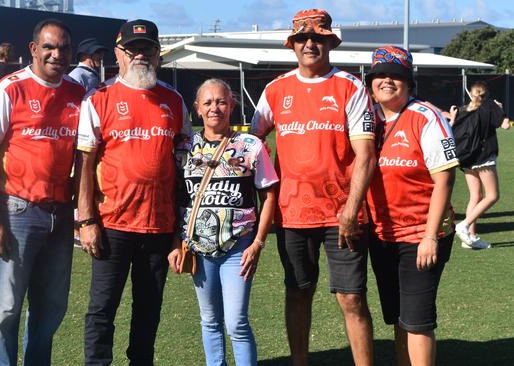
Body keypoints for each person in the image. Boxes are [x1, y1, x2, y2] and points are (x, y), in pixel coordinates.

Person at [251, 8, 376, 366]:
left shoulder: (350, 87)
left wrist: (351, 209)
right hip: (291, 213)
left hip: (342, 214)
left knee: (351, 298)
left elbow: (365, 156)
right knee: (298, 291)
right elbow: (254, 143)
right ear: (292, 45)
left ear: (329, 42)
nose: (310, 44)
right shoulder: (276, 90)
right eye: (302, 39)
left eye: (317, 38)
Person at [76, 19, 192, 365]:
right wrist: (86, 220)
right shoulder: (99, 99)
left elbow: (183, 166)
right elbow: (84, 164)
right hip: (112, 223)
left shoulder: (174, 100)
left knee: (148, 310)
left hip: (158, 226)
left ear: (158, 55)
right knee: (102, 309)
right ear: (118, 54)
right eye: (133, 49)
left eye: (148, 49)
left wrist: (178, 231)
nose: (140, 55)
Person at [0, 19, 85, 366]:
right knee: (6, 309)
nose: (57, 54)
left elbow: (85, 157)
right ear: (34, 49)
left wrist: (81, 214)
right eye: (49, 47)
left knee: (50, 309)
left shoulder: (78, 94)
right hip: (18, 212)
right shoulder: (11, 88)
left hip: (60, 213)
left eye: (64, 48)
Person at [168, 78, 278, 365]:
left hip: (238, 248)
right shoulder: (184, 147)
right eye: (207, 102)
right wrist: (176, 243)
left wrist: (257, 243)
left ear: (232, 104)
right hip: (198, 249)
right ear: (197, 109)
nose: (214, 107)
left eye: (221, 101)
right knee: (209, 321)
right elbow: (177, 199)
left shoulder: (250, 145)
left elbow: (269, 195)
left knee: (236, 323)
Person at [365, 45, 458, 366]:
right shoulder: (367, 119)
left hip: (421, 235)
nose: (387, 81)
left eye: (396, 76)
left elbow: (445, 179)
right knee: (399, 317)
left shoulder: (427, 117)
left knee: (417, 320)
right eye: (380, 75)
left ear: (409, 82)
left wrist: (430, 236)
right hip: (381, 236)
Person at [449, 81, 511, 249]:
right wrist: (501, 109)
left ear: (472, 93)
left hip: (467, 158)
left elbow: (452, 128)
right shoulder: (491, 106)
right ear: (486, 94)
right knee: (492, 195)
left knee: (475, 196)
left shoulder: (464, 109)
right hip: (483, 157)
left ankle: (470, 237)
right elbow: (505, 125)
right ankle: (464, 225)